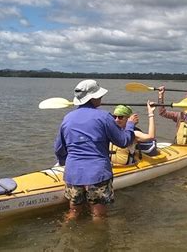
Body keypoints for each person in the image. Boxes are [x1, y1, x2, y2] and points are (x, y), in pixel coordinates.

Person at [53, 79, 136, 220]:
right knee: (98, 215)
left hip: (73, 172)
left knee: (73, 213)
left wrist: (63, 162)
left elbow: (59, 148)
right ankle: (100, 241)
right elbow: (123, 141)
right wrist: (130, 125)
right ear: (93, 98)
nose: (101, 98)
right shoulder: (104, 117)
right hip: (97, 173)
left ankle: (65, 236)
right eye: (99, 95)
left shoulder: (67, 118)